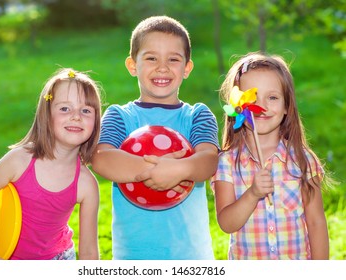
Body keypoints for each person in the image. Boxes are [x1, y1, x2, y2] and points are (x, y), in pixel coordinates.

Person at [91, 16, 219, 260]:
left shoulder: (197, 115)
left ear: (187, 68)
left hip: (191, 257)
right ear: (132, 65)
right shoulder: (120, 116)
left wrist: (179, 168)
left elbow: (208, 162)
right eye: (151, 58)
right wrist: (157, 170)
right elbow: (101, 158)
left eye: (173, 59)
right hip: (132, 257)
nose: (163, 67)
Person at [0, 68, 102, 260]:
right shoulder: (19, 161)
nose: (76, 116)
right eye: (64, 108)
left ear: (96, 121)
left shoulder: (86, 184)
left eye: (86, 110)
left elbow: (89, 253)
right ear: (46, 115)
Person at [213, 52, 330, 260]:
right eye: (252, 98)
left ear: (287, 106)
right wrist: (252, 194)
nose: (262, 106)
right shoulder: (226, 163)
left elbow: (316, 222)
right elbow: (226, 224)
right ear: (237, 105)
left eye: (273, 97)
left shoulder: (303, 161)